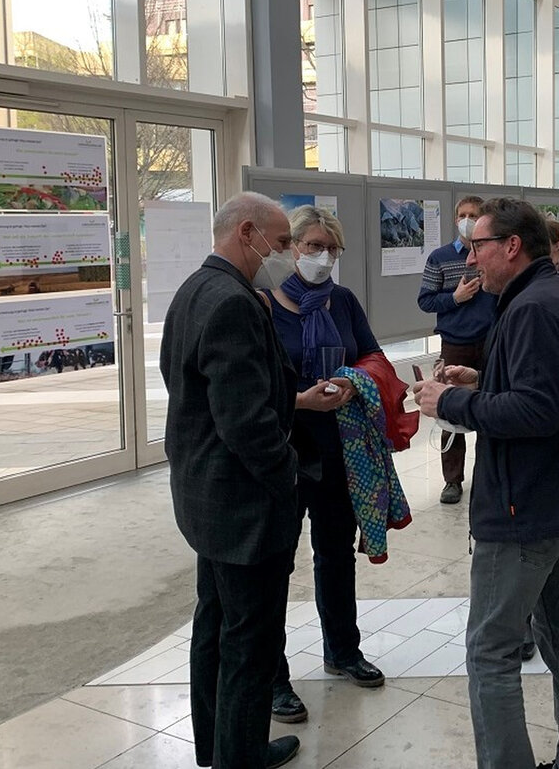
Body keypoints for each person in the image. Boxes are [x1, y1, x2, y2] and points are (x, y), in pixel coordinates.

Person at [414, 197, 559, 769]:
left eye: (478, 246)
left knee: (491, 651)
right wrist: (483, 380)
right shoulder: (553, 296)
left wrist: (451, 401)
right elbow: (549, 388)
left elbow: (536, 411)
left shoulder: (532, 309)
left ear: (511, 246)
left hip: (525, 509)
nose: (470, 259)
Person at [159, 192, 302, 769]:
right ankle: (239, 757)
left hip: (206, 496)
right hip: (243, 506)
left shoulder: (195, 290)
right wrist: (287, 476)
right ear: (248, 232)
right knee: (250, 643)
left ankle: (220, 748)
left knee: (216, 623)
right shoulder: (232, 303)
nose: (288, 254)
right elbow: (245, 421)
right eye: (283, 242)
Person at [262, 206, 391, 726]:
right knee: (275, 564)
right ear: (291, 247)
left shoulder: (344, 301)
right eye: (313, 246)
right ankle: (273, 677)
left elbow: (373, 356)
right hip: (285, 448)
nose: (323, 256)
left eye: (331, 248)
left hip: (339, 446)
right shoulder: (265, 304)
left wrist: (352, 382)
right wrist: (301, 399)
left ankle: (343, 650)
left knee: (336, 553)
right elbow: (256, 383)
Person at [417, 195, 497, 504]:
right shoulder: (440, 257)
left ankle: (490, 476)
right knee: (450, 412)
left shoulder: (491, 254)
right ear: (455, 220)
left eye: (473, 215)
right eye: (462, 215)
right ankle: (452, 480)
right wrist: (455, 297)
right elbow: (425, 300)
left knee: (492, 406)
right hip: (455, 344)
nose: (467, 220)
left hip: (491, 342)